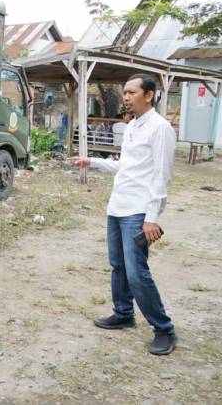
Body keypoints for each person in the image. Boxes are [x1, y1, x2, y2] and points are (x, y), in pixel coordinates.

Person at [70, 73, 177, 355]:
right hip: (117, 207)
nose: (126, 97)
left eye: (131, 92)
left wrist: (152, 216)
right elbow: (125, 166)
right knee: (118, 265)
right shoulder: (131, 127)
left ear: (149, 95)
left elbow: (161, 176)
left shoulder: (160, 128)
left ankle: (164, 329)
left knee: (137, 272)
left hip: (138, 211)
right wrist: (91, 161)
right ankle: (123, 313)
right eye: (125, 92)